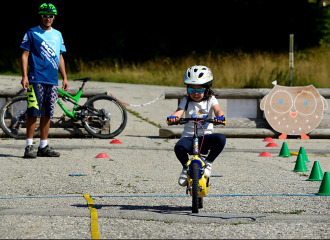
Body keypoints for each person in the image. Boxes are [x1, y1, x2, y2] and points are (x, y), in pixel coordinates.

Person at [20, 3, 69, 158]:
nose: (48, 19)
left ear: (54, 17)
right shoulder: (32, 32)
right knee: (33, 112)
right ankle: (29, 146)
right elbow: (24, 55)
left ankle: (43, 146)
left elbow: (60, 56)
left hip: (52, 80)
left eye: (51, 16)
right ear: (40, 16)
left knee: (48, 113)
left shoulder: (58, 34)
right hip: (36, 78)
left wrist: (65, 77)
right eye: (45, 16)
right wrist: (25, 75)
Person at [167, 65, 226, 186]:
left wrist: (220, 117)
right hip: (189, 137)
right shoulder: (186, 100)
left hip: (205, 137)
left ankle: (208, 163)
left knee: (221, 138)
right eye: (191, 90)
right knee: (178, 148)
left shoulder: (211, 99)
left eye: (199, 90)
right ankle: (185, 168)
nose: (195, 93)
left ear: (207, 88)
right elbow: (179, 111)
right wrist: (173, 117)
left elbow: (218, 110)